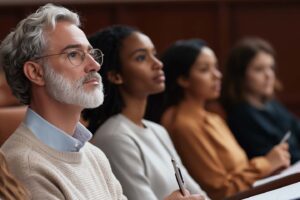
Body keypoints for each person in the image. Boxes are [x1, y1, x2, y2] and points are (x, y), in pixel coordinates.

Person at [0, 4, 126, 200]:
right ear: (36, 72)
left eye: (91, 53)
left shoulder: (93, 154)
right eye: (74, 54)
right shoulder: (25, 165)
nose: (94, 65)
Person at [83, 25, 208, 200]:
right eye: (141, 57)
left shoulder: (158, 130)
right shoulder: (114, 137)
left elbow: (198, 193)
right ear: (116, 75)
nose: (158, 64)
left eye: (154, 55)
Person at [160, 39, 291, 200]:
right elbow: (220, 192)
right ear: (183, 80)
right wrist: (266, 164)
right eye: (205, 69)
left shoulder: (214, 117)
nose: (217, 75)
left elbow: (239, 172)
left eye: (215, 67)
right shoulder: (184, 125)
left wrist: (269, 169)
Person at [221, 37, 300, 164]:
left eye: (271, 67)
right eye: (259, 69)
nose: (269, 75)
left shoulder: (271, 104)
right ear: (240, 76)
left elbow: (296, 129)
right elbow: (271, 159)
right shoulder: (240, 116)